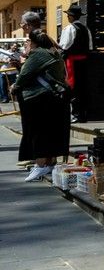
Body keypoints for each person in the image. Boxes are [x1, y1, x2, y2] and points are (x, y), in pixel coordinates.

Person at [14, 31, 69, 182]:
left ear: (33, 42)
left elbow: (24, 76)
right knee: (50, 132)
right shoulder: (54, 53)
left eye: (28, 42)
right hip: (55, 99)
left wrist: (14, 87)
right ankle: (50, 163)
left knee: (37, 133)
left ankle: (40, 165)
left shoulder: (38, 54)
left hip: (39, 99)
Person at [58, 4, 91, 122]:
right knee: (83, 88)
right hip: (84, 62)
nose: (68, 17)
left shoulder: (69, 29)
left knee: (72, 87)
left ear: (71, 16)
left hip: (72, 62)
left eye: (68, 15)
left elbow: (64, 46)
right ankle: (83, 114)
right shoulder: (86, 29)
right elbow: (90, 46)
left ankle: (75, 114)